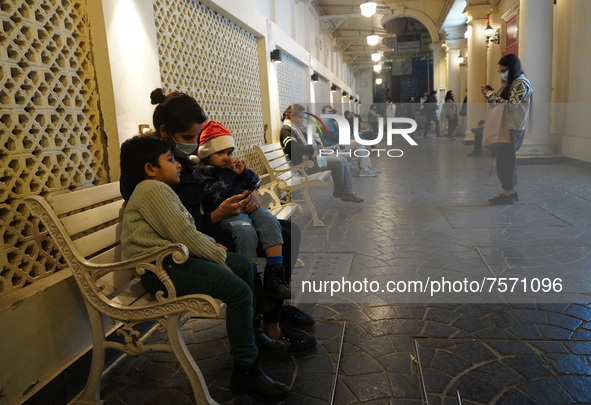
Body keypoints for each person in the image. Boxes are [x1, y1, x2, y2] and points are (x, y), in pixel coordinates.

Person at [144, 88, 317, 353]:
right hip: (194, 235)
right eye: (188, 137)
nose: (193, 143)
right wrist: (218, 214)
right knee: (281, 235)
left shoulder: (178, 158)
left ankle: (273, 311)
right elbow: (179, 223)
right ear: (165, 132)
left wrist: (254, 195)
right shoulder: (156, 166)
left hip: (209, 221)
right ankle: (266, 320)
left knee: (288, 231)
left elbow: (217, 189)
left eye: (196, 136)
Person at [119, 135, 289, 402]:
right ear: (150, 169)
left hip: (174, 259)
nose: (178, 165)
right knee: (238, 290)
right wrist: (217, 256)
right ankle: (247, 371)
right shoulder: (153, 190)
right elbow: (184, 234)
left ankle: (253, 335)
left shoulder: (158, 189)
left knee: (244, 266)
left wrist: (213, 249)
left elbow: (184, 231)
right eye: (171, 159)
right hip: (159, 270)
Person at [191, 120, 290, 301]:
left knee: (270, 221)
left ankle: (275, 276)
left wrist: (244, 172)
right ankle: (252, 280)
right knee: (245, 231)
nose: (226, 157)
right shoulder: (202, 171)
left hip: (248, 206)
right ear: (206, 154)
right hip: (228, 214)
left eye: (229, 152)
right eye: (219, 152)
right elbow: (215, 195)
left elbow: (254, 182)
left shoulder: (234, 168)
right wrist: (230, 174)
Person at [280, 103, 364, 203]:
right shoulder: (286, 130)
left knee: (343, 159)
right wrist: (311, 150)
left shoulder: (298, 128)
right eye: (300, 117)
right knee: (338, 162)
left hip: (313, 159)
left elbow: (309, 139)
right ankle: (341, 192)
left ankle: (346, 192)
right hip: (305, 165)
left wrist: (318, 144)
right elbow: (293, 147)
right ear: (291, 116)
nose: (302, 119)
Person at [481, 54, 532, 205]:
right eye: (500, 71)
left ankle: (508, 194)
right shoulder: (509, 83)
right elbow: (497, 104)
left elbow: (510, 105)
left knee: (506, 162)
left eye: (504, 70)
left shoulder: (521, 83)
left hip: (512, 128)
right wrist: (489, 95)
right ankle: (511, 192)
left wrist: (491, 95)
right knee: (505, 161)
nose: (502, 73)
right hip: (505, 127)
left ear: (512, 68)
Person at [319, 105, 380, 177]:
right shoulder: (325, 121)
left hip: (338, 143)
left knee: (361, 140)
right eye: (328, 112)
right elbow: (333, 135)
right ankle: (365, 169)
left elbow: (334, 134)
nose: (330, 113)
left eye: (331, 111)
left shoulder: (327, 120)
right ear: (323, 112)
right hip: (334, 146)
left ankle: (368, 167)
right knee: (359, 142)